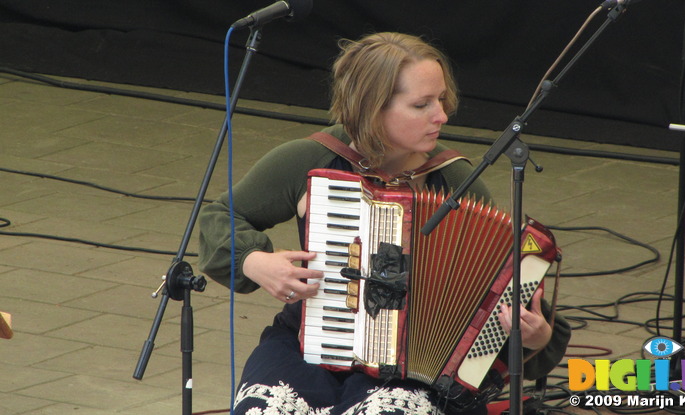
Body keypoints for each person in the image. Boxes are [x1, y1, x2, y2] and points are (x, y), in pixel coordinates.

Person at [198, 32, 570, 415]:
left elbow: (507, 292)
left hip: (418, 363)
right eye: (421, 104)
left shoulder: (456, 181)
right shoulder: (309, 160)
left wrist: (538, 337)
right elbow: (219, 217)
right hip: (309, 343)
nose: (441, 115)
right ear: (371, 107)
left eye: (441, 99)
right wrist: (255, 262)